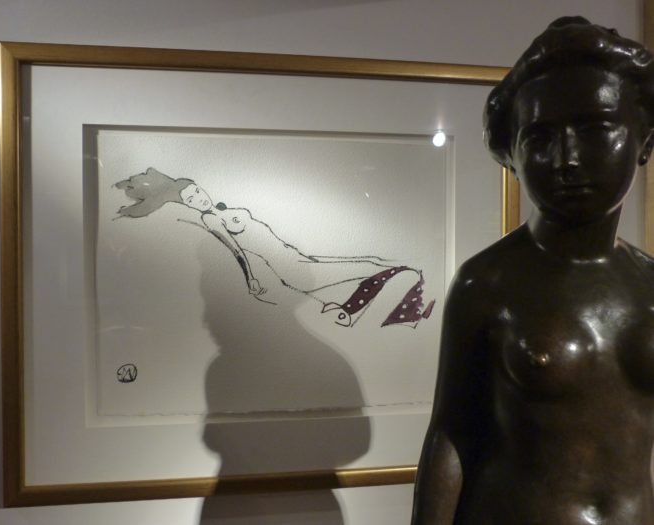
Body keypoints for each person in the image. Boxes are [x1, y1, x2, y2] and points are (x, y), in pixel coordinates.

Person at [411, 17, 654, 524]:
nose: (567, 159)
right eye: (540, 136)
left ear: (644, 140)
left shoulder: (649, 282)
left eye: (594, 130)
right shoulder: (487, 284)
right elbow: (451, 436)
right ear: (512, 154)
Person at [115, 167, 434, 328]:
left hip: (292, 255)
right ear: (186, 205)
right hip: (285, 264)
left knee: (351, 268)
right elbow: (236, 251)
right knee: (353, 269)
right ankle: (396, 286)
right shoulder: (212, 220)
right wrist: (250, 279)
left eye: (197, 192)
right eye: (190, 199)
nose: (198, 198)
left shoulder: (223, 207)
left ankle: (391, 287)